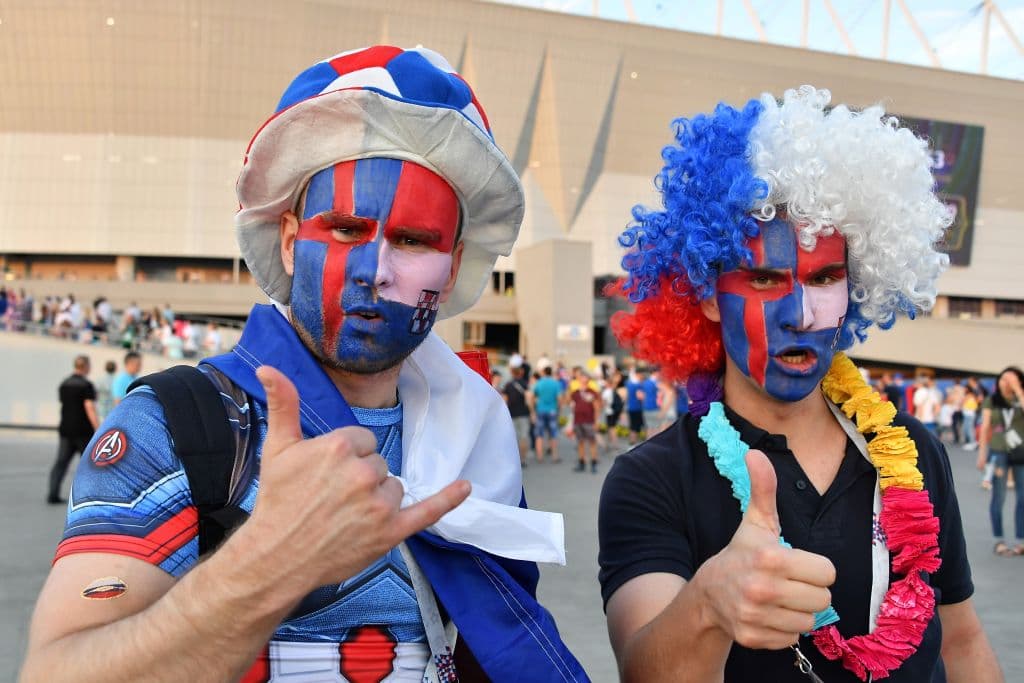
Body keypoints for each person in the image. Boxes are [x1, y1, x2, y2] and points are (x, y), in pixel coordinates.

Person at [23, 45, 584, 683]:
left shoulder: (477, 440)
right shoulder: (171, 426)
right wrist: (267, 563)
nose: (375, 271)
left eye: (412, 240)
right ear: (290, 242)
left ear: (452, 268)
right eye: (346, 229)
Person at [598, 86, 1000, 681]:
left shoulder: (914, 451)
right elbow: (644, 669)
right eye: (764, 278)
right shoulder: (652, 479)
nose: (803, 314)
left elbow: (962, 642)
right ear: (707, 295)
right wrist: (709, 604)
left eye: (827, 277)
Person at [976, 366, 1024, 557]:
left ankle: (1021, 540)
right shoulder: (992, 400)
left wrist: (1018, 391)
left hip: (1021, 452)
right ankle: (999, 540)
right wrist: (982, 454)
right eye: (1003, 379)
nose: (1006, 383)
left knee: (1022, 497)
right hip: (998, 452)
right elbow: (985, 427)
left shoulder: (1020, 398)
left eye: (1011, 379)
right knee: (999, 496)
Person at [47, 355, 99, 504]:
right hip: (83, 431)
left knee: (61, 462)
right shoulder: (86, 385)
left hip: (66, 429)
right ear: (86, 366)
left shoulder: (64, 384)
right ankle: (89, 496)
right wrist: (98, 428)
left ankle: (53, 494)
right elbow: (89, 407)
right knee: (89, 465)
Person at [567, 370, 602, 473]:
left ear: (588, 379)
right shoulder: (576, 392)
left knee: (592, 442)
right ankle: (581, 462)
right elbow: (568, 401)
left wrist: (596, 421)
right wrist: (568, 389)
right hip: (578, 420)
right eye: (581, 377)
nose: (583, 379)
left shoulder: (592, 392)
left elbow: (597, 407)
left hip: (589, 420)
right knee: (580, 442)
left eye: (585, 377)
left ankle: (594, 463)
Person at [502, 362, 532, 468]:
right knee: (523, 437)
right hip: (523, 413)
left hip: (512, 414)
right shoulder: (525, 384)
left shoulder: (508, 385)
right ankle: (523, 460)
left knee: (514, 438)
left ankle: (515, 460)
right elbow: (529, 399)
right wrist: (532, 412)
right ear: (521, 372)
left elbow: (504, 401)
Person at [530, 366, 563, 463]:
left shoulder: (539, 383)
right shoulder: (555, 383)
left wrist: (533, 410)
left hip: (540, 410)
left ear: (543, 372)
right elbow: (559, 398)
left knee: (539, 434)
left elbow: (532, 397)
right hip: (552, 410)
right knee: (553, 434)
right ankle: (554, 456)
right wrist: (559, 410)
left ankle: (540, 456)